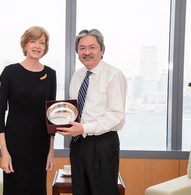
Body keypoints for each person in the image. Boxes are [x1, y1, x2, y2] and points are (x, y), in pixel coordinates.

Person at [57, 29, 127, 195]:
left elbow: (116, 116)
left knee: (103, 191)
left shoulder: (114, 75)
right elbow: (73, 110)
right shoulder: (77, 76)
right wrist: (61, 124)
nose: (87, 52)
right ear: (77, 52)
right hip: (78, 144)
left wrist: (84, 129)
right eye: (82, 48)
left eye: (92, 47)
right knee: (80, 190)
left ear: (102, 50)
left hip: (102, 144)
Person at [0, 26, 56, 195]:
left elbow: (51, 117)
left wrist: (51, 152)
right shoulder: (10, 72)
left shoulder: (50, 74)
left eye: (42, 42)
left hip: (40, 146)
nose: (37, 46)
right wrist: (4, 152)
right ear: (25, 45)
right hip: (15, 147)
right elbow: (0, 113)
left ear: (45, 47)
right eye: (33, 41)